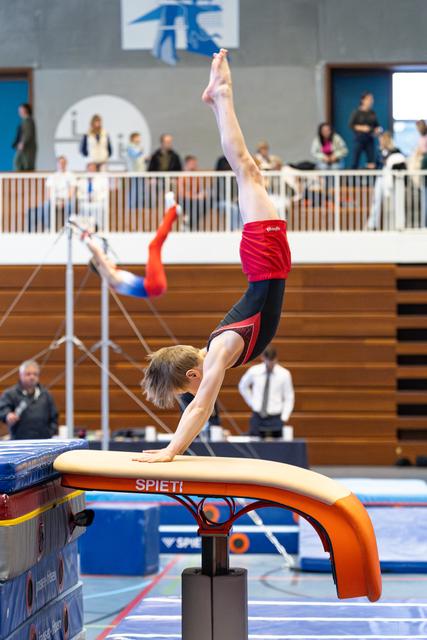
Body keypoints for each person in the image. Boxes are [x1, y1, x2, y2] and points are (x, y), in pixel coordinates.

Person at [139, 49, 291, 463]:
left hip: (266, 263)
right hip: (263, 264)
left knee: (246, 168)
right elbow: (198, 401)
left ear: (193, 375)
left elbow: (203, 407)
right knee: (247, 172)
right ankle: (219, 96)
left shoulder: (221, 351)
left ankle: (221, 95)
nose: (192, 395)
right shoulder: (212, 351)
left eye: (184, 390)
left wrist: (171, 450)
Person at [73, 192, 180, 299]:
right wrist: (85, 239)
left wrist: (89, 237)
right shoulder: (110, 276)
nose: (108, 260)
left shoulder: (111, 277)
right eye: (105, 259)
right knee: (153, 247)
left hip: (153, 287)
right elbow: (97, 252)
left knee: (155, 245)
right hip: (153, 286)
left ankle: (170, 214)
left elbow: (98, 253)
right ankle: (172, 211)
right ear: (99, 264)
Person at [238, 345, 294, 439]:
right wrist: (252, 402)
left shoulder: (284, 374)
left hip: (276, 418)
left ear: (276, 359)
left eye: (272, 361)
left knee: (277, 448)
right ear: (263, 358)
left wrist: (284, 417)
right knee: (255, 446)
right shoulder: (254, 371)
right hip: (258, 416)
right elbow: (243, 386)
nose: (270, 364)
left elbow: (289, 397)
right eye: (268, 361)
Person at [0, 360, 58, 439]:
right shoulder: (10, 394)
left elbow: (54, 416)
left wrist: (50, 432)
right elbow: (2, 409)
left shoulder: (46, 395)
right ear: (21, 375)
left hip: (43, 441)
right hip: (19, 440)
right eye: (28, 374)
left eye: (35, 374)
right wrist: (7, 415)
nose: (32, 377)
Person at [366, 131, 406, 231]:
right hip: (381, 178)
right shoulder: (379, 152)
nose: (380, 142)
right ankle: (372, 224)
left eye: (382, 140)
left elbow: (400, 162)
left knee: (396, 201)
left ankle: (399, 224)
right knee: (376, 201)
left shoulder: (396, 150)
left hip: (393, 179)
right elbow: (377, 165)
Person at [349, 92, 381, 169]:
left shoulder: (372, 113)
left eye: (371, 99)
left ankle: (371, 180)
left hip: (370, 139)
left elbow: (377, 126)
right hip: (359, 139)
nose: (371, 101)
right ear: (363, 100)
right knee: (355, 162)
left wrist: (377, 131)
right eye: (369, 99)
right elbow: (351, 125)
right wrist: (362, 128)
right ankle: (353, 180)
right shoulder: (356, 112)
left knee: (371, 162)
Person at [45, 155, 77, 228]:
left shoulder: (71, 175)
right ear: (57, 164)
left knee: (71, 205)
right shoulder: (52, 176)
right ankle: (50, 228)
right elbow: (48, 193)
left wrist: (64, 201)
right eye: (60, 163)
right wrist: (56, 201)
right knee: (47, 205)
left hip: (67, 200)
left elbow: (72, 192)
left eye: (63, 163)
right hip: (54, 200)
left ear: (66, 164)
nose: (61, 164)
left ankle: (70, 228)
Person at [177, 155, 207, 230]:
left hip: (194, 200)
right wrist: (195, 196)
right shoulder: (182, 176)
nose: (194, 165)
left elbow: (201, 189)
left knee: (204, 203)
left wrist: (202, 194)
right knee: (192, 203)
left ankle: (188, 223)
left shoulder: (197, 176)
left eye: (195, 163)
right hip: (183, 200)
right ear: (187, 164)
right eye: (192, 163)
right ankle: (189, 224)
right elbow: (181, 193)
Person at [12, 103, 37, 171]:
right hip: (23, 148)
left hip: (27, 148)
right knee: (19, 163)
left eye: (21, 110)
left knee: (25, 165)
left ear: (26, 110)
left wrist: (22, 143)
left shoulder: (28, 121)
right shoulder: (24, 121)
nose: (19, 111)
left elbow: (28, 134)